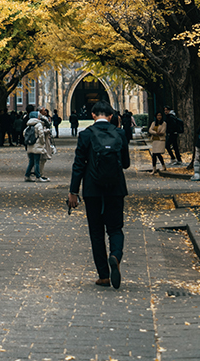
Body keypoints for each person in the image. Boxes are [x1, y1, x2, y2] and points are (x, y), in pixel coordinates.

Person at [68, 101, 130, 288]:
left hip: (92, 190)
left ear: (93, 115)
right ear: (111, 116)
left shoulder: (86, 135)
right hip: (115, 188)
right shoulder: (119, 133)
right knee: (115, 228)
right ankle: (115, 255)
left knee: (96, 233)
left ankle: (104, 276)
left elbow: (78, 164)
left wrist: (73, 191)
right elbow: (126, 164)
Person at [23, 110, 48, 181]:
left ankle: (27, 175)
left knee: (31, 162)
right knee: (37, 161)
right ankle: (38, 176)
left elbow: (24, 133)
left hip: (30, 145)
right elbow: (41, 134)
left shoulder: (29, 125)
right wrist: (42, 142)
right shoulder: (38, 124)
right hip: (37, 145)